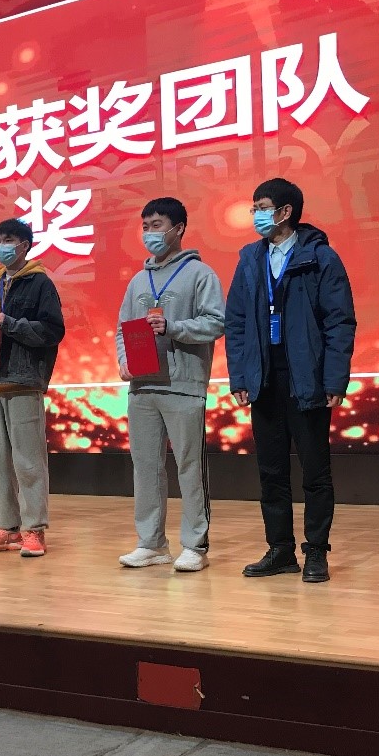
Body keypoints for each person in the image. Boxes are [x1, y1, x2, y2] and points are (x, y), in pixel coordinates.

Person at [225, 178, 356, 582]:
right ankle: (280, 549)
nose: (256, 215)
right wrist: (239, 376)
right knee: (271, 471)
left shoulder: (320, 257)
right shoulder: (250, 259)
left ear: (285, 212)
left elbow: (339, 322)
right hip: (264, 380)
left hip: (307, 380)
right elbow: (236, 322)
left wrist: (334, 380)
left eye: (262, 207)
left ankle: (316, 551)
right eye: (253, 208)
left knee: (315, 472)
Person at [116, 198, 224, 572]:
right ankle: (151, 544)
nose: (150, 233)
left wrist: (173, 327)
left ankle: (195, 545)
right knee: (145, 467)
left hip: (184, 385)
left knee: (189, 467)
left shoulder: (200, 274)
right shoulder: (138, 280)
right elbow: (123, 329)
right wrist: (124, 361)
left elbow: (216, 322)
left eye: (157, 225)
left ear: (178, 229)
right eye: (146, 226)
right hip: (143, 387)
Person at [0, 219, 64, 558]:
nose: (2, 246)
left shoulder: (40, 284)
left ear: (25, 245)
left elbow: (52, 331)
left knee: (28, 460)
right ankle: (6, 528)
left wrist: (11, 324)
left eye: (8, 240)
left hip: (23, 382)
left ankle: (34, 529)